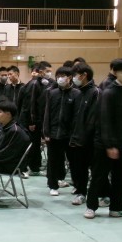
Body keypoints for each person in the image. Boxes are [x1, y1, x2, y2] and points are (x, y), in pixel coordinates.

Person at [84, 58, 122, 219]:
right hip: (104, 145)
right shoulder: (108, 93)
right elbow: (104, 121)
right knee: (99, 176)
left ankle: (117, 207)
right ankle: (91, 207)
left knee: (121, 177)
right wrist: (109, 145)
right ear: (115, 72)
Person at [43, 66, 80, 196]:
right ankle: (53, 185)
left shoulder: (76, 94)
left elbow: (77, 117)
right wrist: (46, 132)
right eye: (58, 76)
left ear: (70, 78)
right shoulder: (52, 93)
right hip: (54, 134)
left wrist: (75, 135)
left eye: (62, 76)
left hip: (69, 135)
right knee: (53, 161)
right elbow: (47, 113)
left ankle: (77, 185)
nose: (60, 79)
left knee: (74, 162)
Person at [68, 63, 100, 205]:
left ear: (84, 75)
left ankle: (103, 194)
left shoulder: (95, 92)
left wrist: (85, 137)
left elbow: (92, 119)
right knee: (79, 168)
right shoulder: (78, 93)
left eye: (75, 75)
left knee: (96, 169)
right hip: (77, 137)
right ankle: (81, 192)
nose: (73, 78)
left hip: (90, 140)